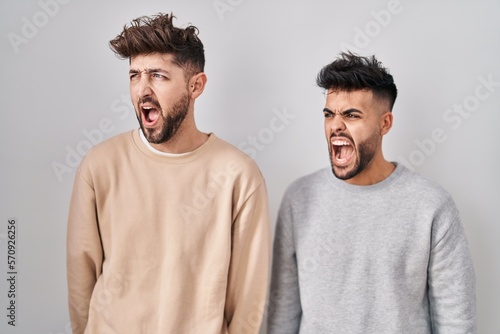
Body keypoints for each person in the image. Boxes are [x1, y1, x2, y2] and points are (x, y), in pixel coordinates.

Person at [66, 13, 270, 334]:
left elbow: (248, 300)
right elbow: (81, 279)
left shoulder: (238, 175)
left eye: (158, 76)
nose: (142, 90)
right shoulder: (99, 165)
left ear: (196, 85)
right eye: (135, 75)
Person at [267, 52, 476, 333]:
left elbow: (456, 322)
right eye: (330, 114)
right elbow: (283, 314)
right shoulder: (299, 198)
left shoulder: (431, 206)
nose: (336, 125)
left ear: (385, 123)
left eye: (352, 115)